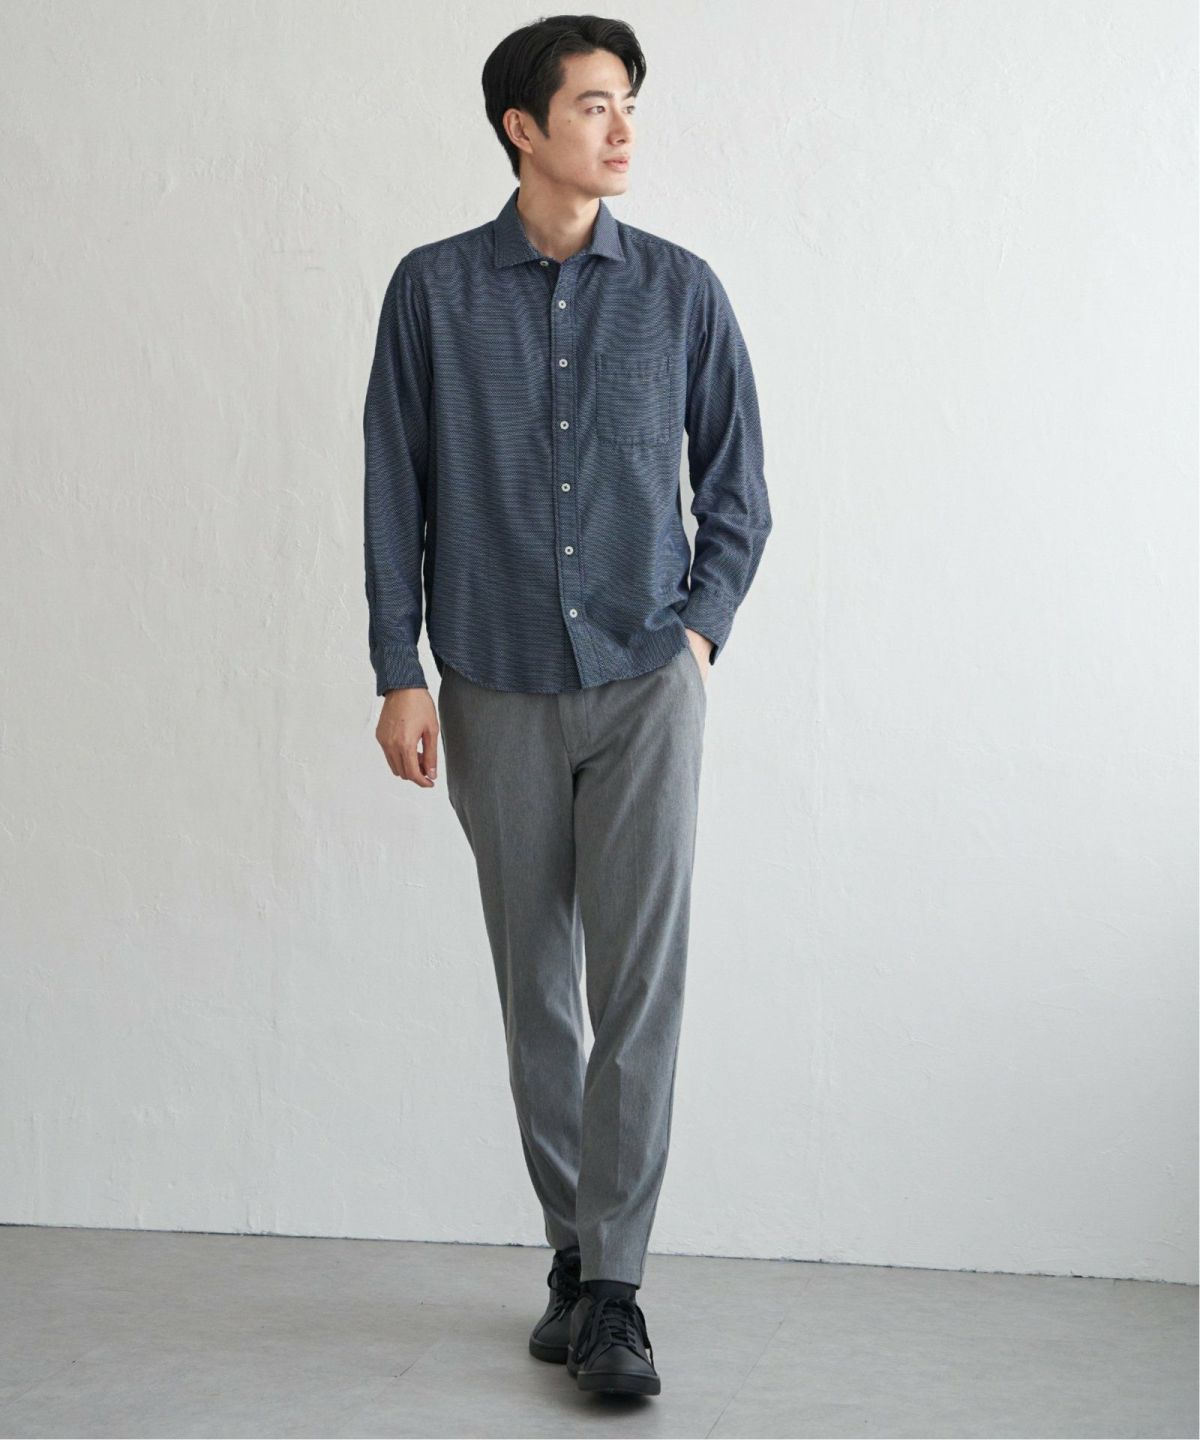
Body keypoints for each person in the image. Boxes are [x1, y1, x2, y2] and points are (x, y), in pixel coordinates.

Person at [363, 13, 771, 1399]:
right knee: (536, 983)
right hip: (492, 681)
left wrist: (697, 639)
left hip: (646, 686)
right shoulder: (431, 291)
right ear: (522, 128)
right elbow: (393, 485)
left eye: (628, 102)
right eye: (594, 104)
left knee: (639, 985)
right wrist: (398, 669)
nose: (623, 127)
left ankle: (614, 1294)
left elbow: (739, 488)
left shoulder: (681, 291)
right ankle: (572, 1250)